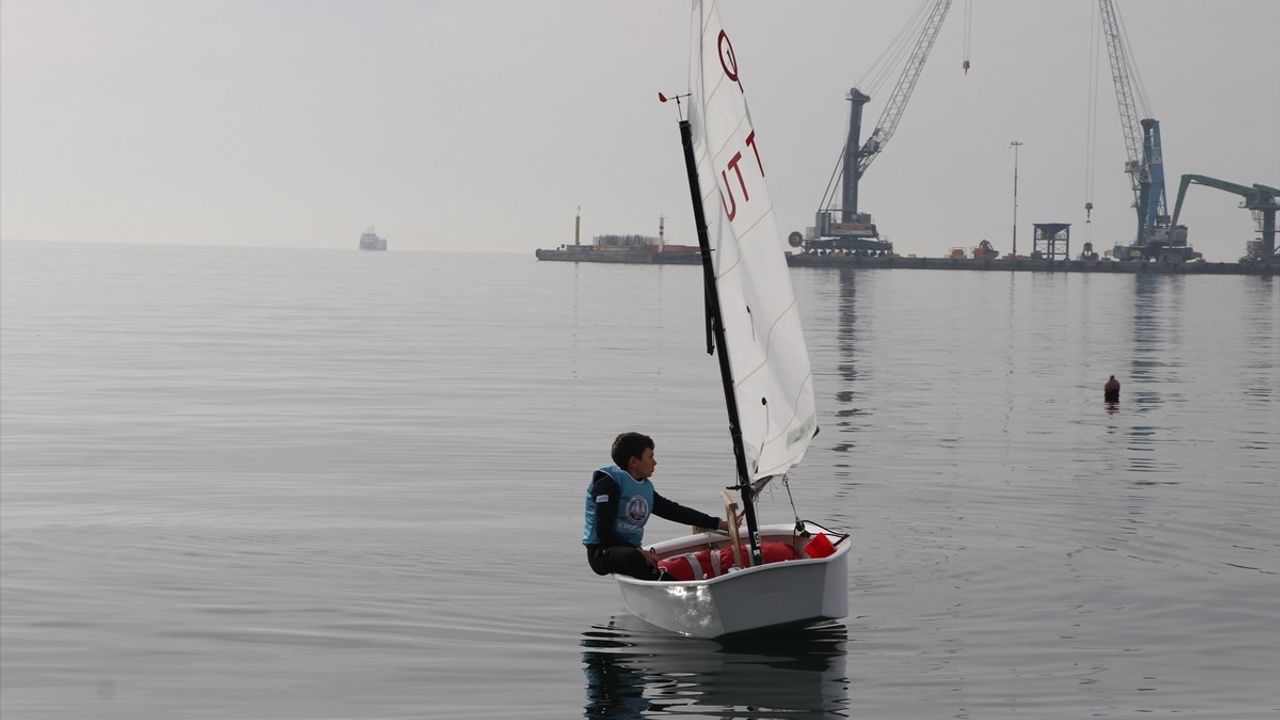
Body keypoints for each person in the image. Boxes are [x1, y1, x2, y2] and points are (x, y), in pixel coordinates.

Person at [583, 432, 727, 581]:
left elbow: (675, 512)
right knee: (634, 558)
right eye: (650, 457)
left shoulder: (644, 487)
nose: (655, 462)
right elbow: (604, 532)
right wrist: (638, 552)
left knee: (639, 558)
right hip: (602, 551)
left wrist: (719, 524)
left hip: (630, 550)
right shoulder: (608, 485)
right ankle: (669, 583)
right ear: (634, 462)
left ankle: (671, 581)